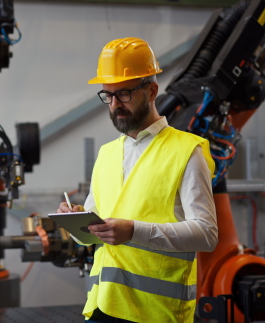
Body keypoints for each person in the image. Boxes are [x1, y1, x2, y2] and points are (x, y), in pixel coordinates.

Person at [56, 37, 218, 322]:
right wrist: (77, 222)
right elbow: (94, 235)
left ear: (152, 90)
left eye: (125, 94)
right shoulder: (106, 154)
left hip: (156, 312)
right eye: (108, 95)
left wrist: (133, 231)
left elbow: (207, 234)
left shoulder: (186, 151)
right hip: (103, 305)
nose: (115, 104)